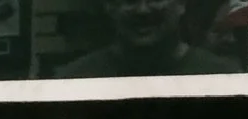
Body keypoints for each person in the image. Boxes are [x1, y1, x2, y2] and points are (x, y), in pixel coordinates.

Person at [47, 0, 238, 77]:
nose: (142, 10)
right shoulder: (75, 80)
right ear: (109, 6)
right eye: (130, 0)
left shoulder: (221, 78)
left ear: (181, 3)